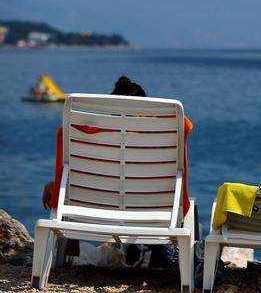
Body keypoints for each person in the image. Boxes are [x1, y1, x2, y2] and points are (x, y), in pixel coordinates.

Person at [41, 76, 194, 268]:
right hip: (154, 214)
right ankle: (168, 258)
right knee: (189, 209)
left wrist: (55, 187)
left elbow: (88, 177)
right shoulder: (162, 138)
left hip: (92, 213)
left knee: (66, 193)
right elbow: (185, 124)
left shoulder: (81, 136)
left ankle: (64, 261)